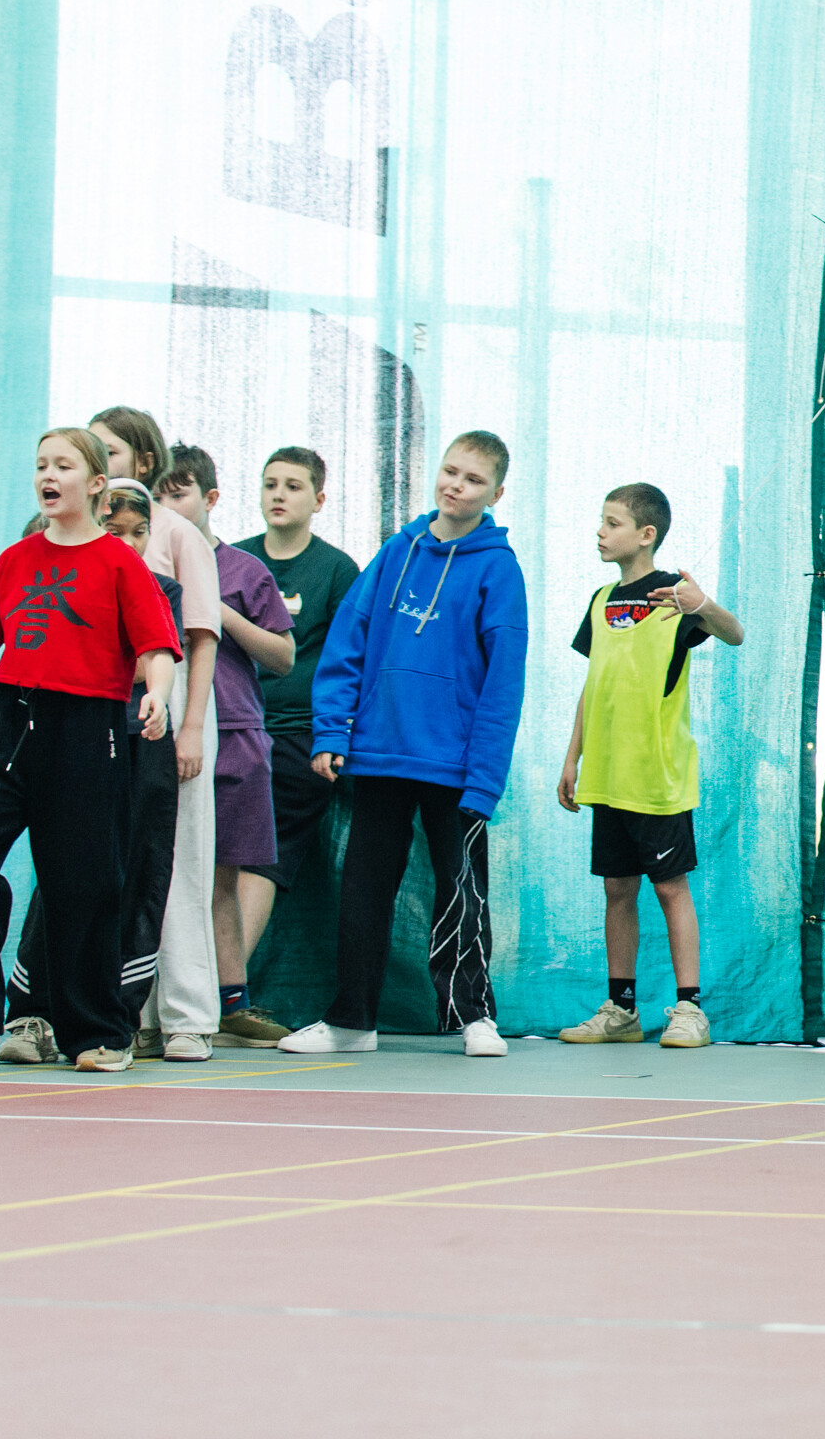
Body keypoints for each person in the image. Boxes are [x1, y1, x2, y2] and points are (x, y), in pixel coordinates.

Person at [0, 429, 177, 1072]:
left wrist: (157, 693)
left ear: (95, 484)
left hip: (88, 729)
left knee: (84, 886)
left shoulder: (120, 562)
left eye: (63, 465)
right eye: (41, 464)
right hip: (8, 724)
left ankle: (97, 1033)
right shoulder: (14, 561)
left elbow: (156, 647)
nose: (48, 475)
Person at [280, 433, 529, 1058]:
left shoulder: (498, 569)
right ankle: (351, 1022)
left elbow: (503, 684)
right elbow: (348, 642)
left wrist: (485, 778)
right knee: (363, 891)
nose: (456, 486)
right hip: (379, 753)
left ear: (496, 493)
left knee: (461, 890)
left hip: (455, 765)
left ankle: (475, 1017)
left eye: (473, 480)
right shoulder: (398, 551)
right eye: (450, 471)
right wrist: (332, 731)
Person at [555, 483, 744, 1050]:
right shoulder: (601, 601)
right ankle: (621, 1011)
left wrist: (702, 605)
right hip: (607, 775)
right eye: (600, 521)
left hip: (657, 775)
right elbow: (595, 683)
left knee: (669, 889)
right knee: (618, 890)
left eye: (611, 523)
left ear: (646, 535)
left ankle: (690, 1010)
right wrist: (572, 757)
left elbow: (735, 635)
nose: (600, 532)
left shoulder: (673, 597)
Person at [78, 407, 225, 1059]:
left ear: (143, 461)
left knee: (180, 861)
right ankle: (124, 1012)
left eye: (107, 450)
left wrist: (189, 729)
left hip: (174, 704)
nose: (95, 461)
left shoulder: (175, 533)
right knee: (114, 858)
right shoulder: (83, 533)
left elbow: (201, 638)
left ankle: (188, 1015)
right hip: (106, 707)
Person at [155, 445, 296, 1041]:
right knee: (159, 873)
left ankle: (231, 1000)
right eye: (158, 496)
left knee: (222, 876)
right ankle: (146, 1008)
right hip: (161, 733)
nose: (168, 506)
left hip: (236, 734)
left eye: (179, 494)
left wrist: (221, 615)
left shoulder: (244, 570)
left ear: (209, 498)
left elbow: (284, 656)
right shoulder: (142, 567)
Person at [229, 445, 364, 1040]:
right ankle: (188, 998)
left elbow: (350, 658)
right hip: (231, 729)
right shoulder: (234, 561)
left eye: (292, 485)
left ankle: (220, 996)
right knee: (212, 863)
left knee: (263, 858)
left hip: (298, 737)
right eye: (270, 484)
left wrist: (334, 736)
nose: (278, 495)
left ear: (319, 499)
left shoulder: (336, 570)